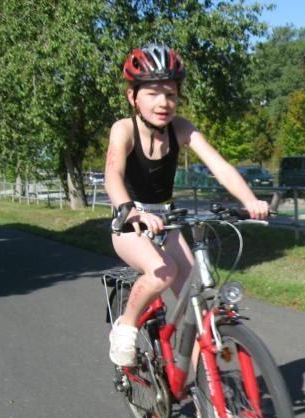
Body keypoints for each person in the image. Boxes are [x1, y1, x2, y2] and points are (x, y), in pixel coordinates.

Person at [105, 43, 268, 367]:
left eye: (170, 94)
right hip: (130, 224)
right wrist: (130, 209)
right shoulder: (124, 129)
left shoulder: (181, 129)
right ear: (132, 97)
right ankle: (126, 326)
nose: (163, 102)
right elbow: (113, 174)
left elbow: (219, 166)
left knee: (198, 308)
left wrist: (249, 200)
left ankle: (201, 385)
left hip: (168, 222)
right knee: (163, 273)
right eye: (152, 93)